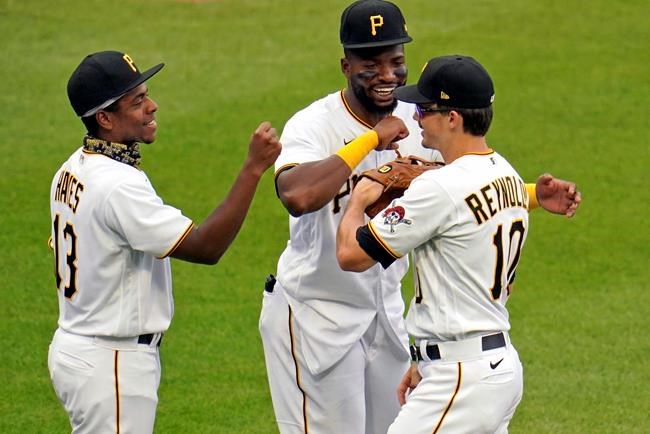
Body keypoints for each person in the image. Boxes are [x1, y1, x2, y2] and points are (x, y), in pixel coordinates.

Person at [259, 1, 580, 433]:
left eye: (396, 61)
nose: (388, 75)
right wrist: (370, 140)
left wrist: (532, 196)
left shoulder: (422, 117)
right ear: (345, 65)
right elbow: (297, 196)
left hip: (386, 314)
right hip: (317, 311)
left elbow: (459, 195)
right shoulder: (314, 124)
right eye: (370, 64)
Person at [336, 54, 577, 433]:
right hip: (493, 365)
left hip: (462, 376)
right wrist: (424, 361)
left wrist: (360, 198)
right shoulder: (508, 175)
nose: (416, 118)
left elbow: (350, 256)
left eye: (424, 109)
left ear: (452, 117)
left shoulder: (440, 187)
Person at [48, 50, 281, 434]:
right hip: (112, 361)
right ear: (105, 118)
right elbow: (206, 247)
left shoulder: (71, 169)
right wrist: (253, 168)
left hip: (78, 349)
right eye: (137, 102)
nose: (152, 107)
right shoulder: (117, 185)